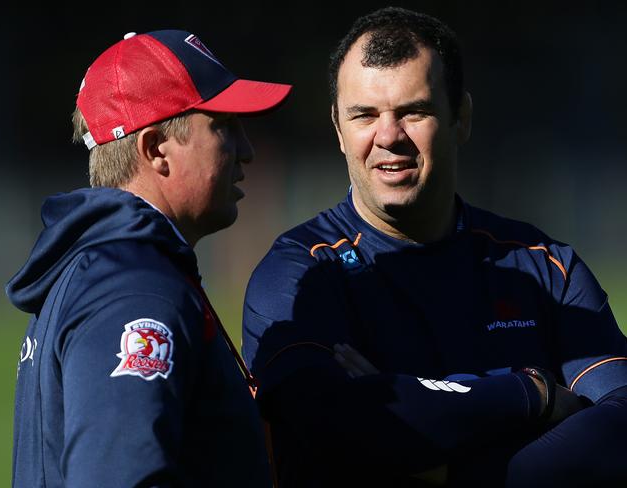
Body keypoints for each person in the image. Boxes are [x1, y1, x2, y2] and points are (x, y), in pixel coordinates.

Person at [242, 7, 627, 487]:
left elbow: (620, 426)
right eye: (365, 116)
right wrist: (532, 394)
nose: (389, 137)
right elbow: (325, 425)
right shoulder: (300, 275)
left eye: (413, 112)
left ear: (460, 118)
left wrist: (438, 463)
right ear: (339, 131)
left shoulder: (546, 268)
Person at [6, 29, 291, 487]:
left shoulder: (110, 270)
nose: (247, 151)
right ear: (157, 149)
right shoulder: (133, 289)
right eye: (224, 126)